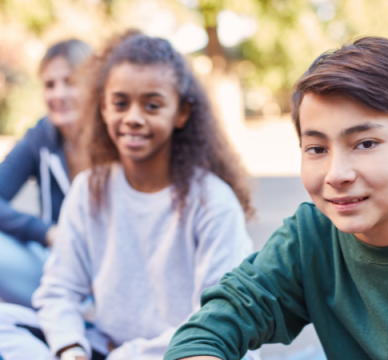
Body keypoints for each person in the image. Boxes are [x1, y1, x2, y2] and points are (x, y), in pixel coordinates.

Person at [162, 36, 388, 360]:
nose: (335, 174)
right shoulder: (310, 238)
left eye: (365, 143)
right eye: (317, 149)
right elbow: (206, 333)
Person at [0, 32, 255, 360]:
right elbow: (59, 291)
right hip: (106, 347)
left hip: (185, 350)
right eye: (120, 103)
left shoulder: (212, 201)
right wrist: (71, 350)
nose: (133, 117)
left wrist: (125, 355)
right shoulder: (89, 188)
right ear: (103, 108)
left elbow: (216, 320)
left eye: (152, 105)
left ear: (181, 112)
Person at [0, 39, 91, 307]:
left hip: (114, 275)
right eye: (50, 84)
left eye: (70, 82)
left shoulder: (116, 136)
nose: (58, 94)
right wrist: (47, 232)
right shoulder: (40, 137)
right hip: (59, 271)